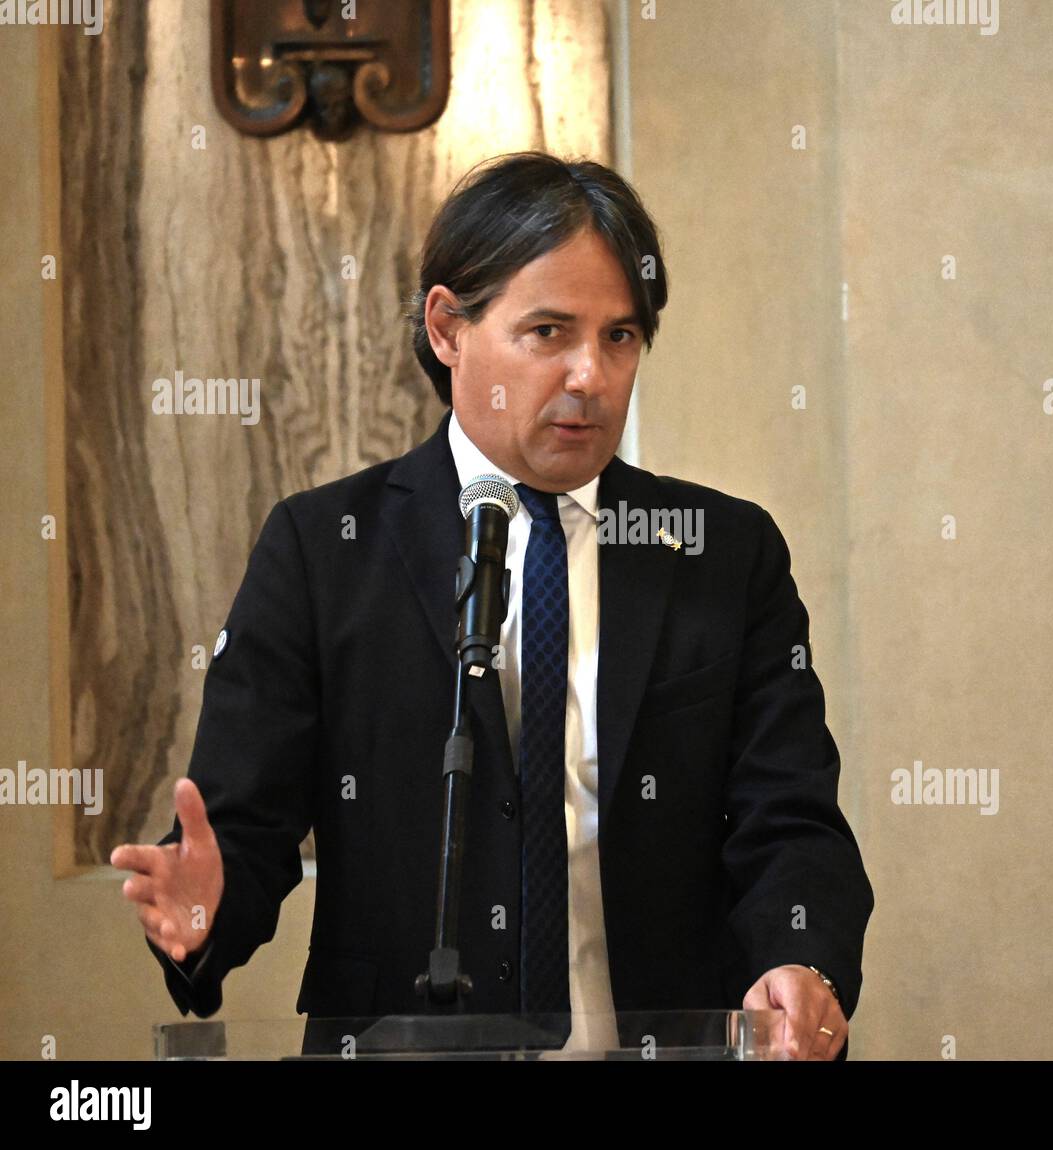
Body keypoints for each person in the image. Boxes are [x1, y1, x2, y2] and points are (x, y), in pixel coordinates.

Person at [111, 151, 873, 1060]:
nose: (591, 375)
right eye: (549, 332)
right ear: (447, 327)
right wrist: (209, 906)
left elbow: (788, 817)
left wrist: (801, 960)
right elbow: (241, 825)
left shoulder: (721, 551)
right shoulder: (325, 551)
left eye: (620, 337)